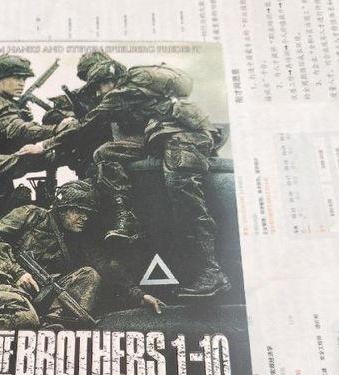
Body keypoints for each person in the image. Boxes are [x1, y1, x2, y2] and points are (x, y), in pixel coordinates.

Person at [19, 60, 230, 297]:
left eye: (99, 86)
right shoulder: (136, 92)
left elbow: (87, 125)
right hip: (159, 135)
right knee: (105, 153)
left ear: (110, 81)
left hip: (183, 136)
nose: (97, 93)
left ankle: (212, 272)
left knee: (185, 199)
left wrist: (43, 145)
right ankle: (125, 218)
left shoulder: (120, 94)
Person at [0, 180, 163, 330]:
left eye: (87, 213)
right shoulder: (29, 215)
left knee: (89, 275)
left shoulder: (77, 239)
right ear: (62, 209)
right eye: (78, 211)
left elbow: (104, 266)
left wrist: (139, 296)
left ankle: (53, 324)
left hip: (37, 292)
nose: (84, 218)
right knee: (24, 318)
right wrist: (17, 271)